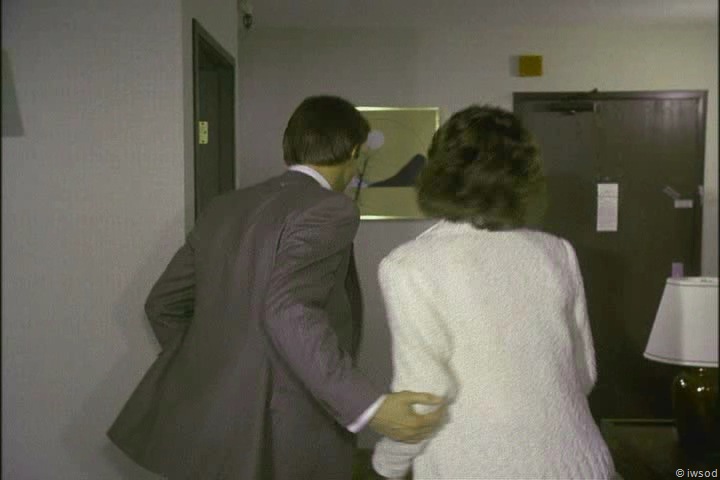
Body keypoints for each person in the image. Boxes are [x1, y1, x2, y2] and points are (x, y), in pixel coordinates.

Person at [107, 95, 447, 480]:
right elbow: (289, 309)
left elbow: (163, 303)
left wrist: (218, 367)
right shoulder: (330, 209)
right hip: (284, 426)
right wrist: (368, 407)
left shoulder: (224, 207)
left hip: (209, 427)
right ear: (353, 151)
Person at [372, 105, 617, 479]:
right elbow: (583, 374)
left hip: (479, 466)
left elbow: (425, 395)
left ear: (438, 172)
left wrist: (387, 463)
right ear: (523, 176)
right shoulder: (557, 252)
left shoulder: (409, 265)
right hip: (581, 461)